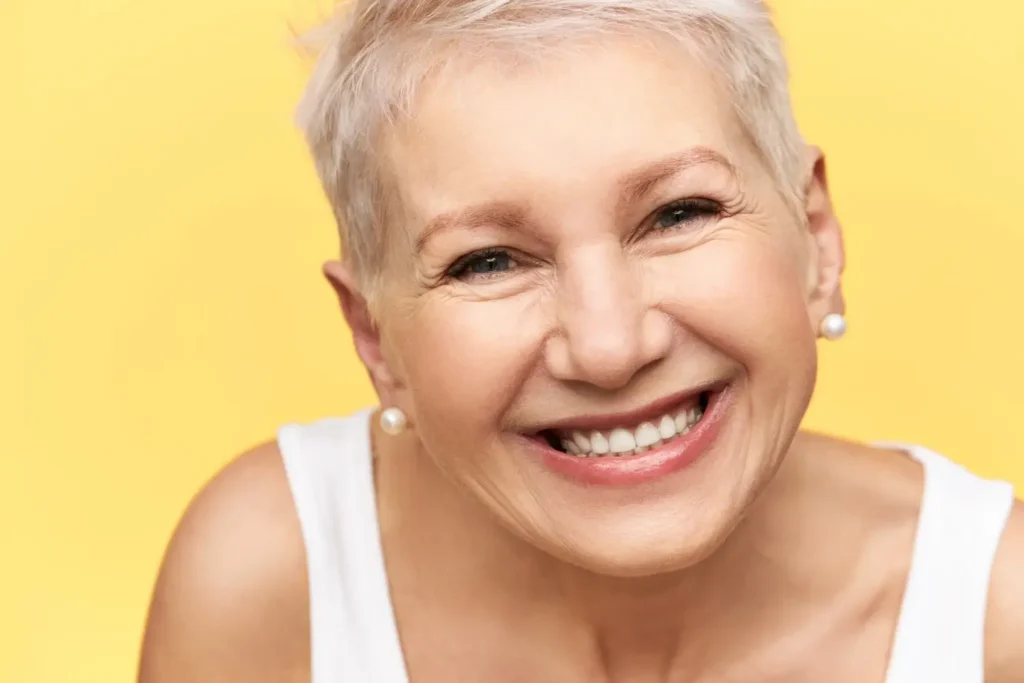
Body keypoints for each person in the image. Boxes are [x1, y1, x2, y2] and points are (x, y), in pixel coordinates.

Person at [138, 1, 1024, 681]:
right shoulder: (267, 579)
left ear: (816, 238)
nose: (608, 347)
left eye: (679, 213)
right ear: (375, 338)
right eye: (487, 262)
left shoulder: (1000, 617)